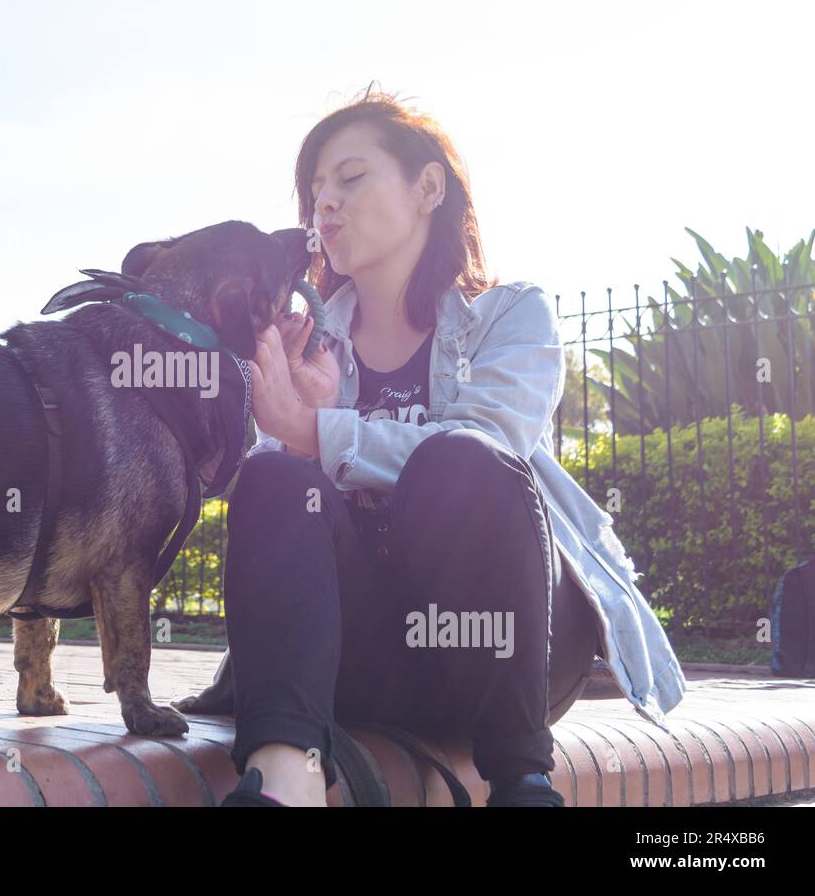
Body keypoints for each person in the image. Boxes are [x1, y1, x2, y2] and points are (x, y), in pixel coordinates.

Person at [173, 84, 687, 807]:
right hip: (364, 659)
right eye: (314, 192)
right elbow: (290, 534)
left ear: (428, 187)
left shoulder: (511, 316)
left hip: (502, 653)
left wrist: (319, 430)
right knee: (274, 481)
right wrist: (299, 440)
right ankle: (284, 775)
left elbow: (490, 448)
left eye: (350, 178)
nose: (325, 205)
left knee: (461, 459)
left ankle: (522, 783)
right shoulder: (310, 345)